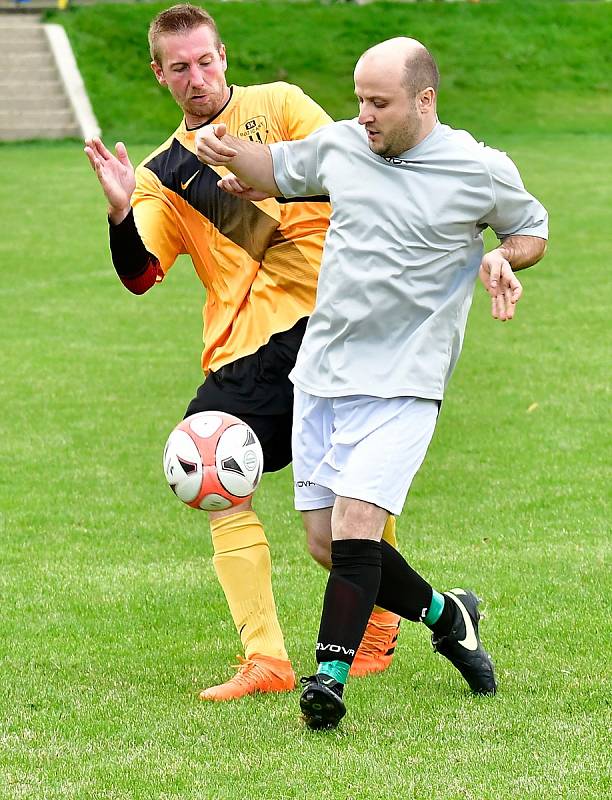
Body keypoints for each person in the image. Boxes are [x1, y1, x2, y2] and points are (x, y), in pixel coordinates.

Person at [195, 36, 548, 728]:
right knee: (328, 545)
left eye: (379, 102)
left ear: (425, 100)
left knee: (360, 525)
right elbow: (275, 169)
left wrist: (505, 258)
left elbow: (530, 229)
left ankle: (328, 678)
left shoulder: (480, 169)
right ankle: (450, 616)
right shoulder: (344, 146)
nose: (365, 115)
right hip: (324, 373)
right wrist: (226, 153)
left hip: (407, 378)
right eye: (360, 99)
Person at [83, 4, 403, 702]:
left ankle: (383, 620)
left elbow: (356, 169)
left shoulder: (279, 106)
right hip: (245, 347)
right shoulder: (162, 171)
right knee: (209, 468)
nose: (195, 78)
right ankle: (267, 658)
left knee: (350, 488)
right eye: (179, 68)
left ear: (223, 56)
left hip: (331, 317)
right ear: (159, 74)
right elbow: (141, 276)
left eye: (205, 61)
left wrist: (268, 177)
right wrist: (116, 214)